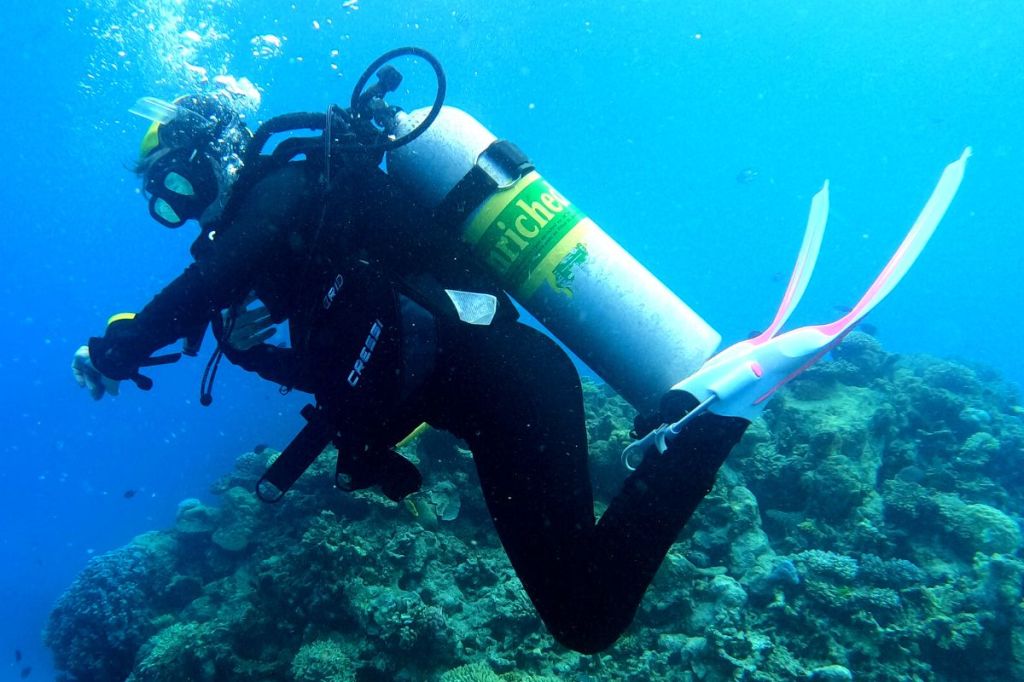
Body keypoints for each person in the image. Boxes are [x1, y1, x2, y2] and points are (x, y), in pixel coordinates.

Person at [73, 52, 968, 652]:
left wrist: (126, 344)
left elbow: (212, 278)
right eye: (166, 203)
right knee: (584, 615)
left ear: (219, 152)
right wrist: (255, 351)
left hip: (509, 385)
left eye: (182, 185)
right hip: (497, 399)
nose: (184, 211)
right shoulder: (306, 245)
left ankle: (719, 412)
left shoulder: (284, 187)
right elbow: (352, 369)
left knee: (584, 614)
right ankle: (685, 431)